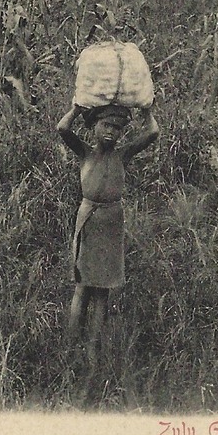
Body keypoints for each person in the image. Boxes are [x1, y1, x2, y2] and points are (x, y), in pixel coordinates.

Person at [56, 101, 159, 375]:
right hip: (89, 221)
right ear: (93, 126)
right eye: (106, 125)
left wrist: (147, 112)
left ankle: (93, 350)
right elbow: (63, 128)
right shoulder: (85, 153)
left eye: (117, 128)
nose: (112, 132)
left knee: (103, 290)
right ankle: (70, 346)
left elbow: (152, 134)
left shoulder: (123, 155)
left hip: (112, 223)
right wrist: (77, 108)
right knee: (82, 287)